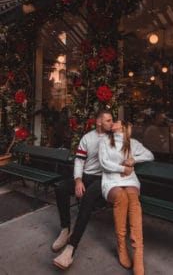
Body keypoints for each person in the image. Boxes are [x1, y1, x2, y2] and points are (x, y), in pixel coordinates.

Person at [52, 109, 113, 270]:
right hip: (87, 176)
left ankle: (70, 249)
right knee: (60, 189)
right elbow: (79, 160)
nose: (111, 123)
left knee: (87, 198)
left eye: (112, 120)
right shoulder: (87, 138)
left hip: (104, 178)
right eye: (108, 120)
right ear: (99, 122)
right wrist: (78, 180)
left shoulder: (114, 137)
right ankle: (65, 229)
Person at [98, 120, 154, 275]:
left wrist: (133, 160)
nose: (114, 122)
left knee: (133, 198)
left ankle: (138, 254)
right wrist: (123, 168)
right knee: (121, 197)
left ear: (123, 127)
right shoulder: (104, 142)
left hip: (130, 180)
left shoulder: (132, 143)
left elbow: (149, 155)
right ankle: (121, 246)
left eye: (117, 121)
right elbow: (103, 163)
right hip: (111, 180)